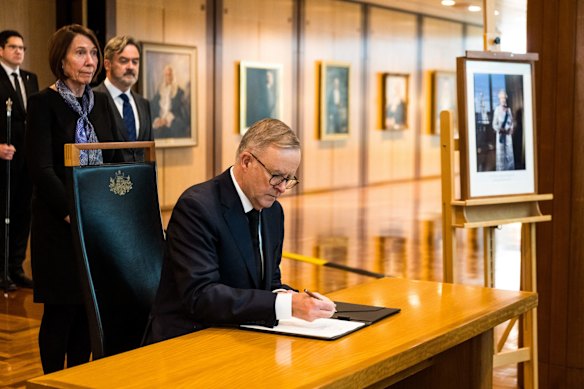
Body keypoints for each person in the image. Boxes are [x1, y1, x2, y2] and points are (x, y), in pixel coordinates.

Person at [146, 118, 336, 344]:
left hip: (241, 332)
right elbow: (202, 296)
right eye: (276, 176)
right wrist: (287, 305)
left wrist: (295, 298)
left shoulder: (273, 212)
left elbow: (269, 285)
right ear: (246, 161)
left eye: (289, 179)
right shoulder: (197, 207)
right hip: (188, 339)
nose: (283, 188)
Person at [25, 24, 120, 374]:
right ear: (61, 60)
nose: (90, 60)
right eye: (81, 52)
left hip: (98, 223)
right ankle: (52, 379)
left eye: (94, 53)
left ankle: (80, 377)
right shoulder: (42, 103)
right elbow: (40, 168)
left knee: (86, 309)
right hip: (59, 224)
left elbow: (116, 160)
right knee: (61, 309)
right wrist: (72, 212)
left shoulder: (102, 103)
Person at [0, 30, 38, 290]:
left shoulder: (29, 78)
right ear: (1, 50)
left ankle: (15, 267)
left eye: (22, 48)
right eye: (13, 47)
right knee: (4, 213)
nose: (19, 52)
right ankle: (1, 271)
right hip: (3, 159)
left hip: (27, 159)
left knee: (23, 214)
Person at [94, 35, 152, 162]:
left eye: (135, 61)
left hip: (140, 180)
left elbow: (149, 153)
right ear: (107, 64)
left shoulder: (143, 104)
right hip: (106, 180)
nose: (131, 67)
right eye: (124, 61)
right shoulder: (92, 100)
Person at [150, 64, 189, 139]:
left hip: (173, 125)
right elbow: (152, 109)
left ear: (173, 75)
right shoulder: (159, 92)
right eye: (166, 75)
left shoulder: (180, 93)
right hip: (159, 125)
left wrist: (167, 119)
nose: (168, 77)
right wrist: (157, 120)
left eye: (170, 75)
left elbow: (183, 114)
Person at [492, 89, 515, 171]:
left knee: (509, 156)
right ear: (499, 99)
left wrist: (511, 129)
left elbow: (512, 122)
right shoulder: (497, 110)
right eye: (501, 98)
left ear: (506, 98)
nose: (503, 100)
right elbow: (494, 125)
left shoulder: (509, 110)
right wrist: (500, 129)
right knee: (501, 159)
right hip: (501, 137)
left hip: (508, 137)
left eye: (504, 98)